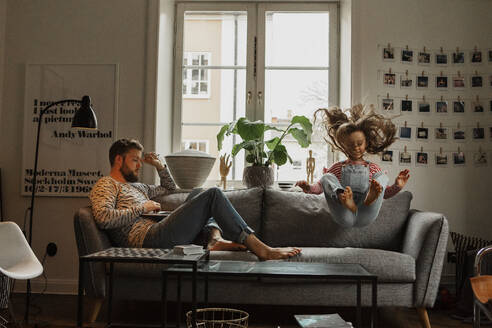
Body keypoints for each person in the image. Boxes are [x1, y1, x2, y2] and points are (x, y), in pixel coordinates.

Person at [89, 138, 300, 260]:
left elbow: (168, 188)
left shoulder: (137, 187)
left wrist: (160, 166)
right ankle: (261, 248)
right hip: (147, 238)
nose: (139, 165)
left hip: (159, 228)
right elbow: (103, 218)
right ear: (118, 160)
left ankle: (214, 240)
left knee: (199, 191)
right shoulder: (106, 184)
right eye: (134, 160)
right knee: (213, 195)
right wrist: (141, 207)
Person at [295, 104, 410, 228]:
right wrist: (308, 187)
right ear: (344, 146)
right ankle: (343, 197)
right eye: (350, 144)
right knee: (327, 177)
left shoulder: (373, 169)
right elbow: (320, 188)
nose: (356, 147)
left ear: (366, 143)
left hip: (366, 212)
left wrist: (397, 186)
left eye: (359, 143)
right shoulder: (338, 167)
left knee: (381, 177)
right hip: (344, 213)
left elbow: (385, 194)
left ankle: (369, 198)